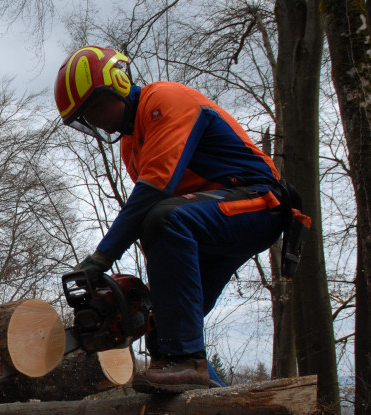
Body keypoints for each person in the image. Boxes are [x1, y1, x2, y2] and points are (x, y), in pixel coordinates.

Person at [55, 46, 289, 392]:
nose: (94, 120)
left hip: (258, 201)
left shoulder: (165, 100)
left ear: (117, 84)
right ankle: (221, 411)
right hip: (209, 220)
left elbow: (154, 196)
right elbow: (156, 222)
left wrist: (100, 258)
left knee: (164, 221)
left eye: (95, 107)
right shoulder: (130, 145)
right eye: (85, 117)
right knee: (161, 327)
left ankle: (188, 361)